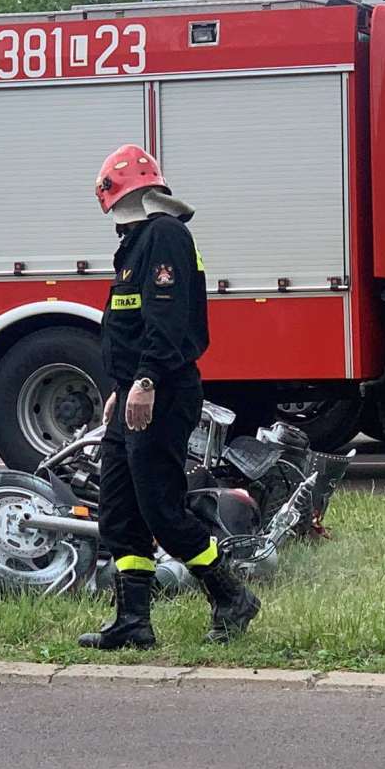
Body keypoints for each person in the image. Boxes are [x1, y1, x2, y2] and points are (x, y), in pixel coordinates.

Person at [78, 144, 262, 650]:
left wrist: (146, 381)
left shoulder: (163, 235)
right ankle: (133, 622)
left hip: (161, 390)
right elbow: (131, 324)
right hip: (136, 390)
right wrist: (124, 386)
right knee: (119, 507)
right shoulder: (137, 242)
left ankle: (231, 597)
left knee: (160, 506)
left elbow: (166, 319)